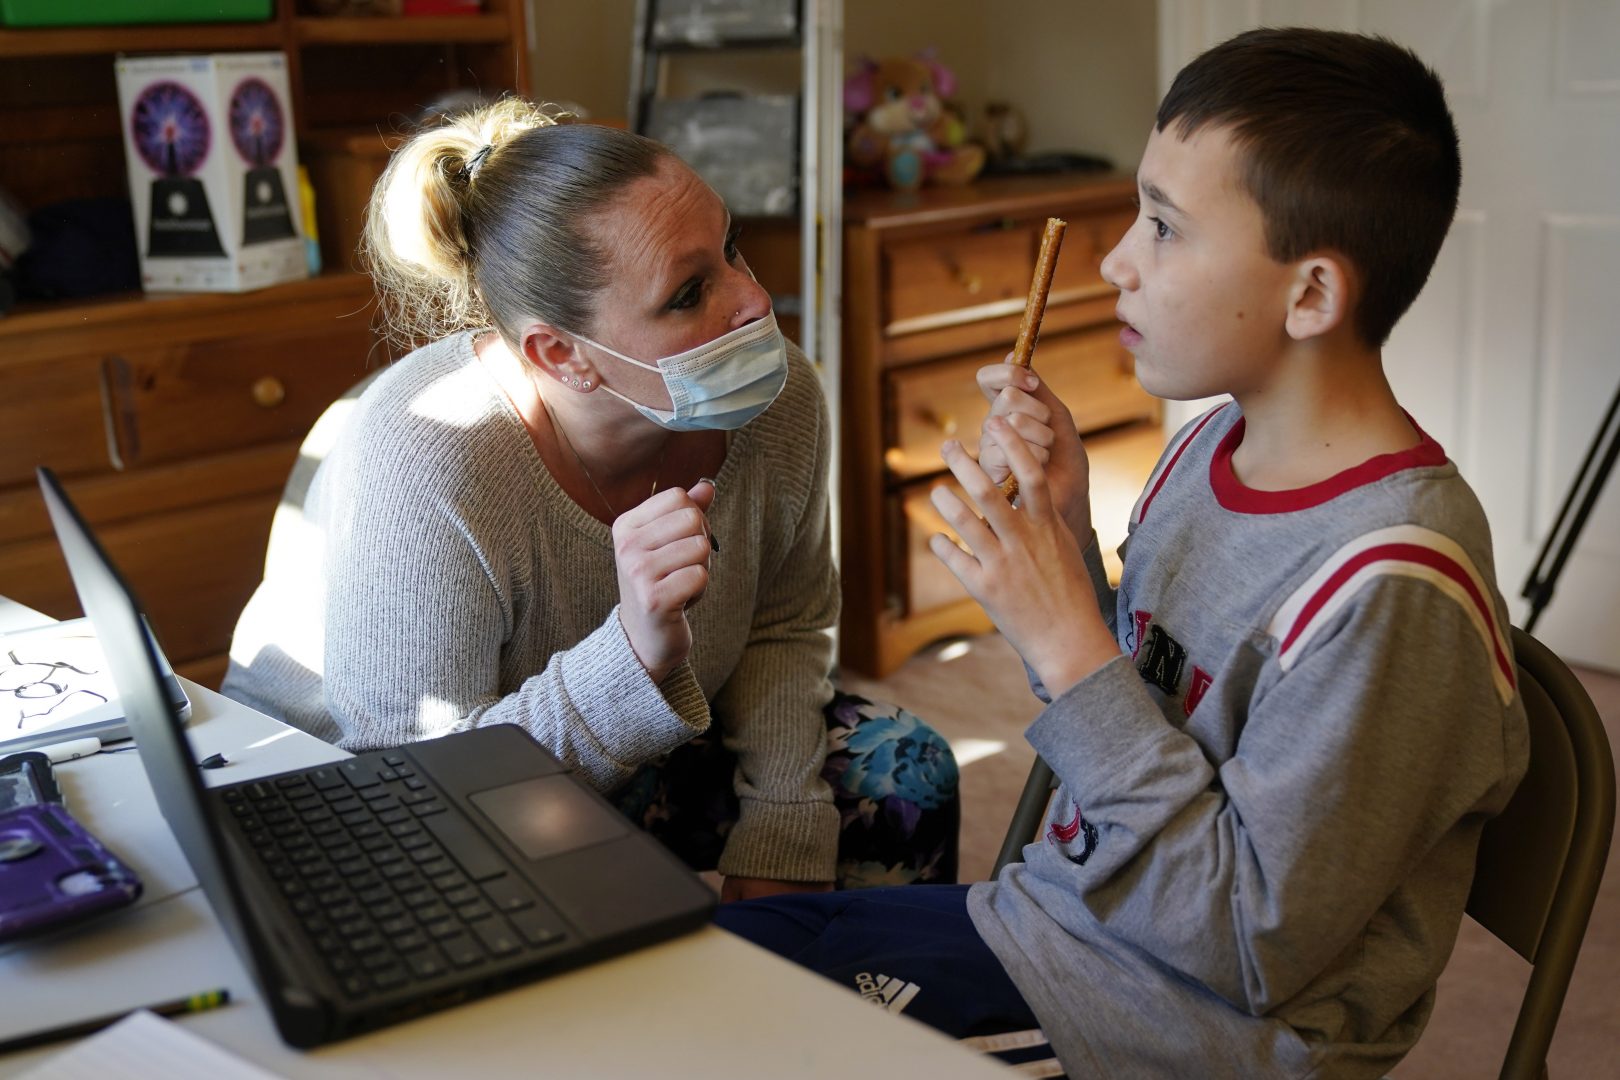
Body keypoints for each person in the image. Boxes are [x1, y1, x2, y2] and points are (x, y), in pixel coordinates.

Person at [715, 27, 1529, 1078]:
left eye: (1165, 228)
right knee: (714, 963)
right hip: (1066, 929)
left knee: (731, 1038)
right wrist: (1067, 546)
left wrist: (1068, 644)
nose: (1115, 262)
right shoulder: (1208, 449)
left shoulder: (1393, 589)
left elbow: (1250, 943)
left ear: (1313, 295)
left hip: (1178, 1025)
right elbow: (1140, 733)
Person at [222, 99, 959, 900]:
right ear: (562, 355)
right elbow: (417, 783)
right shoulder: (427, 455)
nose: (753, 303)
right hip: (372, 807)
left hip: (621, 749)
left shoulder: (777, 399)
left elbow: (783, 625)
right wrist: (634, 652)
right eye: (688, 293)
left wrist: (780, 834)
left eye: (732, 249)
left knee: (904, 778)